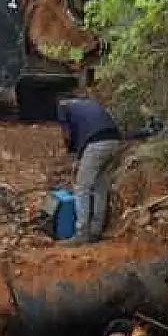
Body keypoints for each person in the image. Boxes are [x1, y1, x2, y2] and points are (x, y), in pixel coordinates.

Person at [55, 96, 123, 245]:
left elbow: (67, 134)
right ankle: (96, 230)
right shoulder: (89, 104)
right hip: (114, 141)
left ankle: (82, 232)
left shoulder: (62, 106)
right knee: (100, 185)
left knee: (82, 187)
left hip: (96, 144)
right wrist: (79, 155)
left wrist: (73, 154)